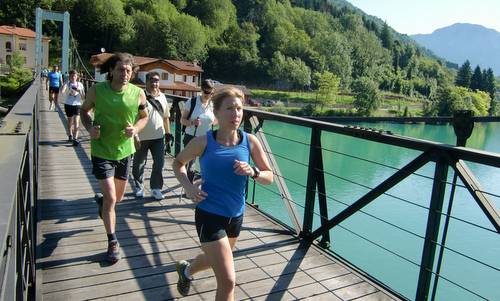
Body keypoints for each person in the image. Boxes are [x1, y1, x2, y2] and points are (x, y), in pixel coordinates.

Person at [172, 87, 273, 300]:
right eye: (229, 108)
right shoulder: (203, 141)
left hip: (235, 216)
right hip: (209, 215)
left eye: (239, 108)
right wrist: (189, 187)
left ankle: (186, 270)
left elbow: (269, 177)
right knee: (228, 281)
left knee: (211, 259)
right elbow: (178, 163)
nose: (235, 114)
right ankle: (189, 270)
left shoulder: (250, 141)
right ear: (217, 113)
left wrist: (253, 171)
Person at [80, 52, 148, 264]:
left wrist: (135, 129)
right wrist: (90, 128)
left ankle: (103, 206)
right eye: (121, 69)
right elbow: (84, 111)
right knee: (111, 197)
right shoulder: (96, 90)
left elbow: (144, 117)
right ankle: (112, 242)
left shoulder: (138, 93)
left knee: (116, 199)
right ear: (111, 70)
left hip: (125, 151)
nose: (125, 74)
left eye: (129, 70)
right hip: (101, 150)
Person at [132, 71, 172, 199]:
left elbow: (166, 117)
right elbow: (133, 116)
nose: (155, 83)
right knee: (139, 163)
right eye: (152, 80)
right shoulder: (140, 96)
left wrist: (168, 133)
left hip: (158, 137)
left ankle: (155, 188)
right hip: (142, 136)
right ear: (147, 81)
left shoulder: (163, 97)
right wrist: (135, 134)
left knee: (159, 163)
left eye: (157, 80)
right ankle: (139, 186)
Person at [180, 79, 216, 182]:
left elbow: (215, 121)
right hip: (191, 136)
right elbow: (182, 120)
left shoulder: (212, 105)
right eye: (206, 92)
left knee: (206, 163)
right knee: (191, 164)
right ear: (201, 89)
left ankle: (205, 186)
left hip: (206, 138)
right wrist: (192, 123)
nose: (208, 95)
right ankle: (189, 187)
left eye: (210, 93)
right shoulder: (191, 102)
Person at [60, 70, 85, 146]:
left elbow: (83, 97)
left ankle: (75, 139)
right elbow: (62, 91)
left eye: (74, 76)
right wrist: (64, 88)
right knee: (70, 121)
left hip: (77, 105)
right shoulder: (67, 83)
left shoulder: (80, 84)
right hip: (68, 104)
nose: (73, 77)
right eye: (71, 76)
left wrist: (79, 91)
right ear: (69, 77)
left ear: (77, 76)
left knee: (77, 122)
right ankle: (70, 135)